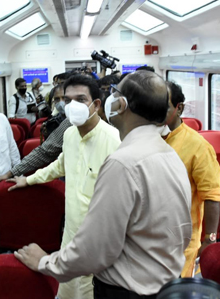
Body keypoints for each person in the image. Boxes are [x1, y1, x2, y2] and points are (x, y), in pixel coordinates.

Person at [14, 70, 192, 298]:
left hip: (125, 288)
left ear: (121, 104)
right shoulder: (169, 154)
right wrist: (27, 179)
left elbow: (96, 249)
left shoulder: (122, 160)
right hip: (160, 280)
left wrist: (45, 263)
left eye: (115, 93)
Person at [7, 74, 121, 299]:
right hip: (70, 233)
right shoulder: (69, 134)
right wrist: (28, 179)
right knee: (67, 290)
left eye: (80, 99)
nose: (72, 106)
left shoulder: (114, 141)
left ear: (96, 105)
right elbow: (60, 165)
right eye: (68, 101)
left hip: (98, 240)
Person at [163, 81, 220, 277]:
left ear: (179, 108)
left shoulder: (198, 146)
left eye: (163, 106)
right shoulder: (145, 138)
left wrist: (210, 239)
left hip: (180, 242)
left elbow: (212, 196)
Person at [0, 84, 70, 187]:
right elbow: (45, 152)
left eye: (65, 99)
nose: (61, 102)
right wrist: (13, 173)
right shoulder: (68, 122)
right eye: (57, 99)